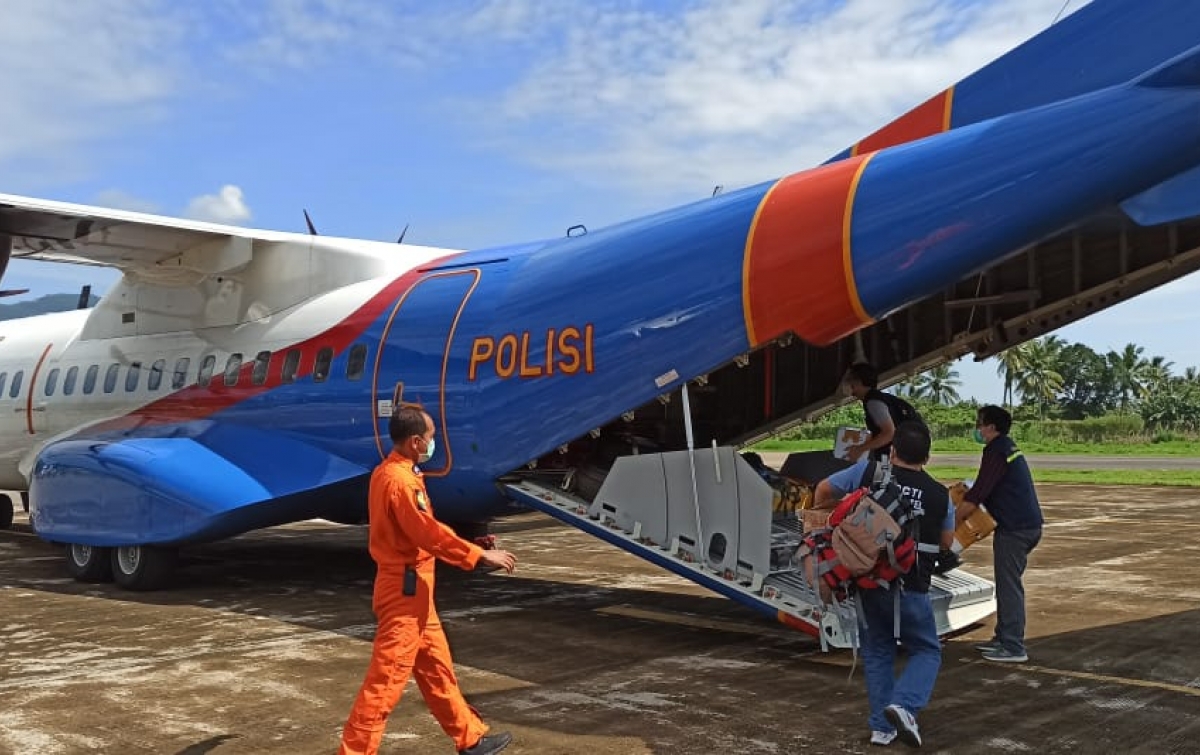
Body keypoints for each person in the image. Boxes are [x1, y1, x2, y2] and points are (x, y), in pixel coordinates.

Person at [339, 407, 518, 755]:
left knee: (437, 669)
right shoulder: (401, 481)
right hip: (404, 593)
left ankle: (470, 739)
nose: (434, 442)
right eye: (431, 437)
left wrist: (474, 544)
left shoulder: (392, 471)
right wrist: (477, 556)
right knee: (386, 681)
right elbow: (426, 532)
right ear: (416, 441)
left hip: (416, 589)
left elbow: (415, 531)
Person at [814, 421, 954, 749]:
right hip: (911, 586)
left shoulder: (868, 473)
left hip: (867, 581)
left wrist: (834, 526)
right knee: (926, 649)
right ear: (928, 457)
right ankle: (904, 705)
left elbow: (823, 489)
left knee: (877, 650)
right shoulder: (940, 495)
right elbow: (947, 541)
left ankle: (881, 728)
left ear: (892, 451)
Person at [957, 405, 1043, 664]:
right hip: (1026, 525)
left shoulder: (996, 451)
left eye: (980, 424)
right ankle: (1003, 636)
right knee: (1008, 584)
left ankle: (1013, 645)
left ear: (991, 427)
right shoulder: (1007, 447)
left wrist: (950, 522)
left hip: (1015, 530)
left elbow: (978, 493)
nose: (977, 429)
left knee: (1008, 587)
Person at [841, 362, 923, 463]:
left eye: (849, 380)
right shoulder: (883, 399)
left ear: (858, 382)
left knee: (882, 478)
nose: (847, 384)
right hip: (909, 454)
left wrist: (860, 449)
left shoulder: (873, 402)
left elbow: (889, 433)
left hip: (894, 458)